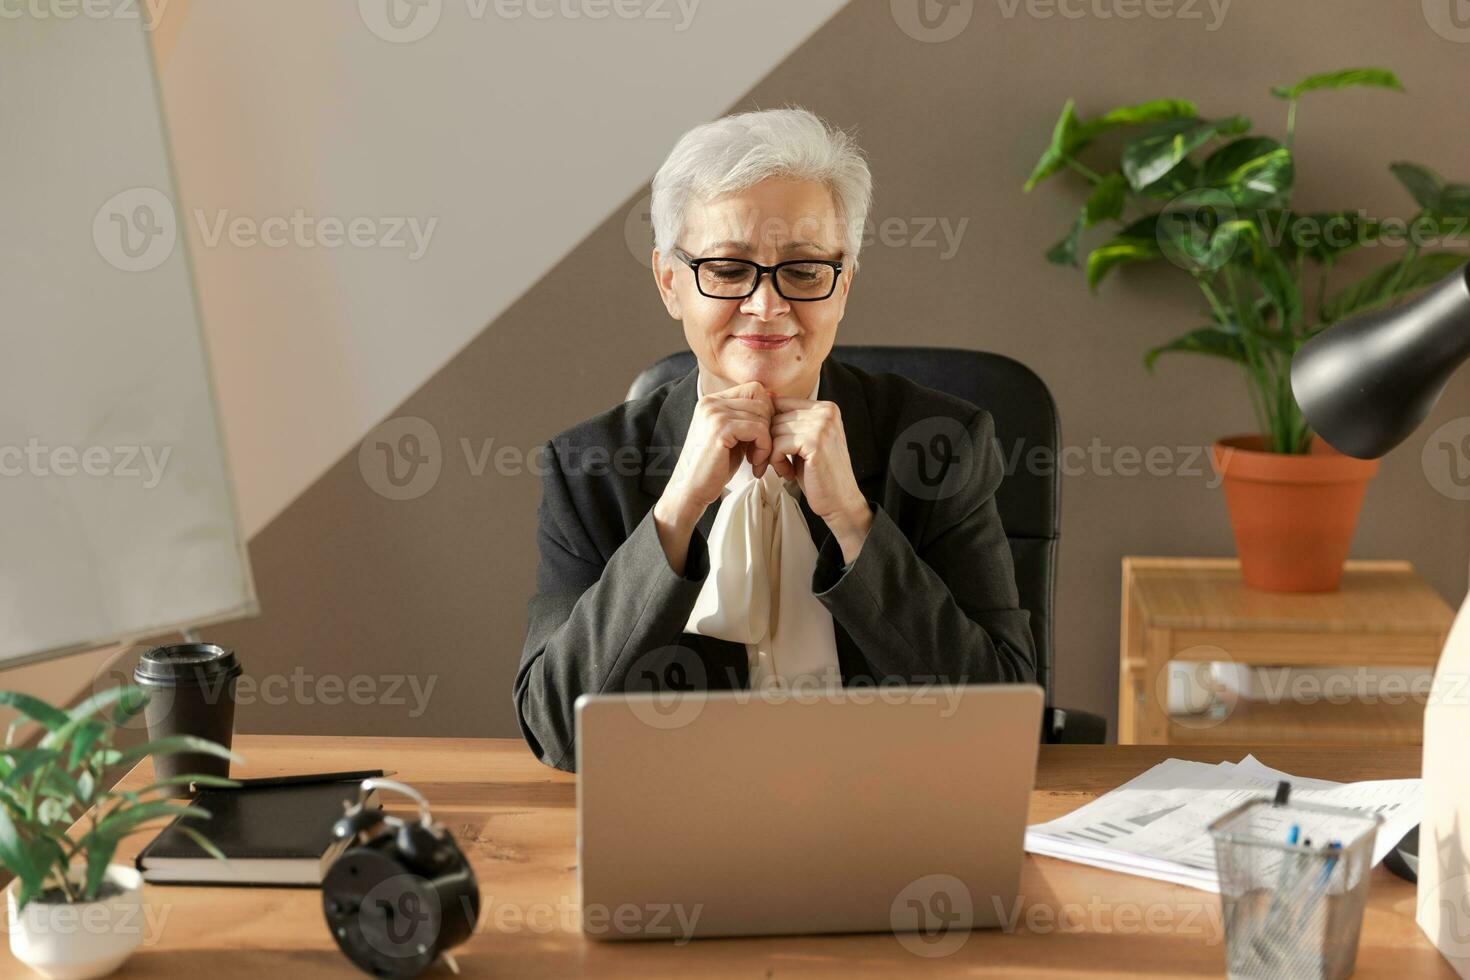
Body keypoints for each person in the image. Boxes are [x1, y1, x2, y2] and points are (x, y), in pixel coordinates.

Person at [515, 106, 1035, 772]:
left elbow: (1001, 718)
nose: (767, 307)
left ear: (843, 284)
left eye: (805, 270)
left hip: (894, 814)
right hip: (681, 825)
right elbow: (559, 733)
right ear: (670, 283)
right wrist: (674, 516)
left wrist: (853, 521)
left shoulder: (940, 446)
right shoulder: (587, 468)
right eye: (728, 270)